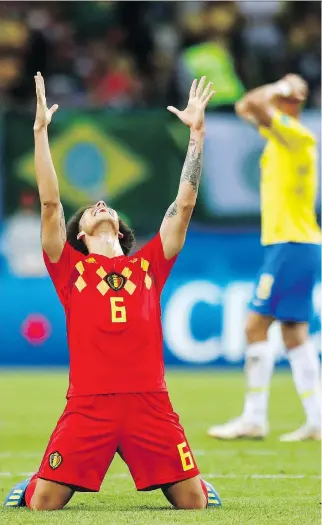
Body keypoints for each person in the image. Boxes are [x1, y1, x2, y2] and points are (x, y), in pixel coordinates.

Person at [4, 72, 221, 510]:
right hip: (88, 408)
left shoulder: (149, 266)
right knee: (42, 504)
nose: (99, 206)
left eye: (105, 207)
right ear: (79, 234)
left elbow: (184, 205)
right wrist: (41, 133)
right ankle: (34, 481)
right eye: (88, 210)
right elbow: (50, 203)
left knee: (194, 505)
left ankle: (195, 481)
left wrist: (197, 134)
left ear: (121, 229)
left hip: (150, 405)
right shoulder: (69, 270)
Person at [208, 74, 321, 442]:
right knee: (294, 334)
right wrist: (280, 89)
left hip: (290, 244)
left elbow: (255, 104)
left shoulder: (296, 135)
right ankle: (317, 419)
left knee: (255, 327)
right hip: (297, 244)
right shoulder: (282, 136)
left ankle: (254, 418)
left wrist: (278, 88)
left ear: (290, 105)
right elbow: (245, 107)